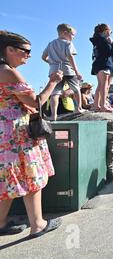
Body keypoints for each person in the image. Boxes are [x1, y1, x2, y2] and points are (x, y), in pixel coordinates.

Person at [0, 30, 63, 238]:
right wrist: (53, 81)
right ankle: (38, 224)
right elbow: (35, 102)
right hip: (16, 134)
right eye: (25, 51)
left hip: (3, 134)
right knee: (32, 176)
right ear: (8, 49)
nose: (28, 56)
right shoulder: (8, 73)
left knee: (9, 178)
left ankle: (0, 224)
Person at [42, 24, 84, 121]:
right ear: (65, 33)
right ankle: (79, 108)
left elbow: (43, 57)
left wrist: (52, 63)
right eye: (72, 35)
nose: (73, 37)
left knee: (55, 93)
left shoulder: (50, 44)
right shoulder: (68, 43)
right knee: (76, 89)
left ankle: (53, 115)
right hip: (67, 69)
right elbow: (70, 57)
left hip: (54, 70)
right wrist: (77, 71)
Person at [90, 24, 113, 112]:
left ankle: (97, 105)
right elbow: (111, 51)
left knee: (100, 85)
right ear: (106, 31)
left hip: (98, 64)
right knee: (104, 85)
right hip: (104, 64)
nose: (110, 33)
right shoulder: (102, 40)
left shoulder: (97, 40)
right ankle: (103, 105)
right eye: (110, 31)